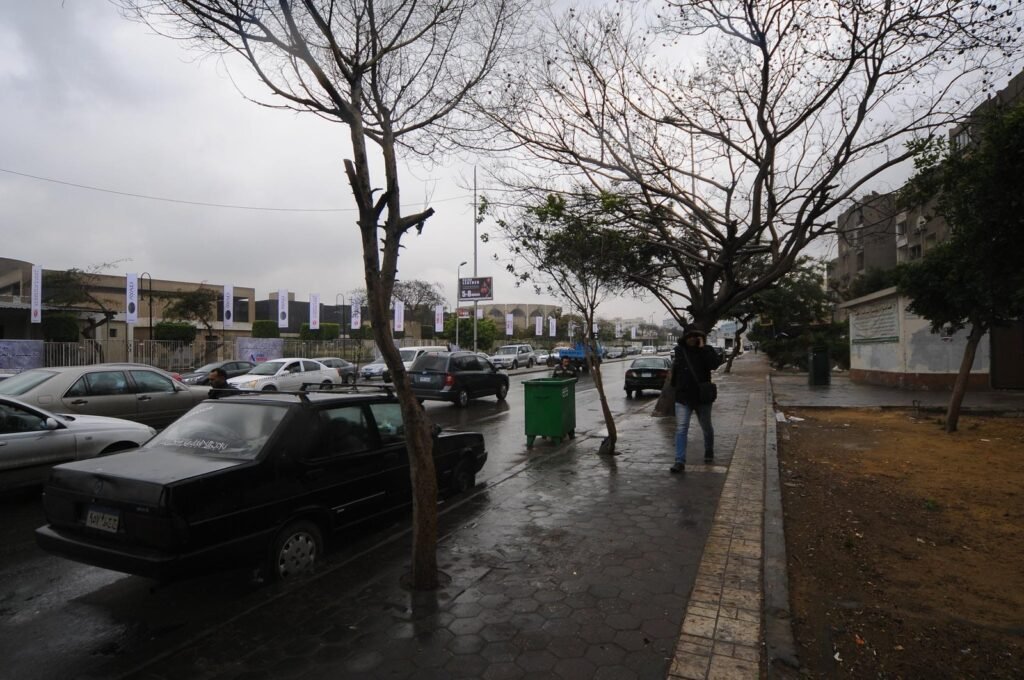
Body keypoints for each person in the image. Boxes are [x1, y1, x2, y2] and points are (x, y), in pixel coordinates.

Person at [668, 328, 721, 473]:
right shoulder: (680, 350)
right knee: (681, 429)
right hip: (683, 397)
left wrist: (703, 348)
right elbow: (676, 370)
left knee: (706, 426)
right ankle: (679, 461)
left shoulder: (706, 350)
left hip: (702, 397)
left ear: (700, 338)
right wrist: (675, 387)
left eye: (695, 336)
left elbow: (714, 365)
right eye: (689, 336)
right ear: (685, 338)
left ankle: (709, 450)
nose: (692, 339)